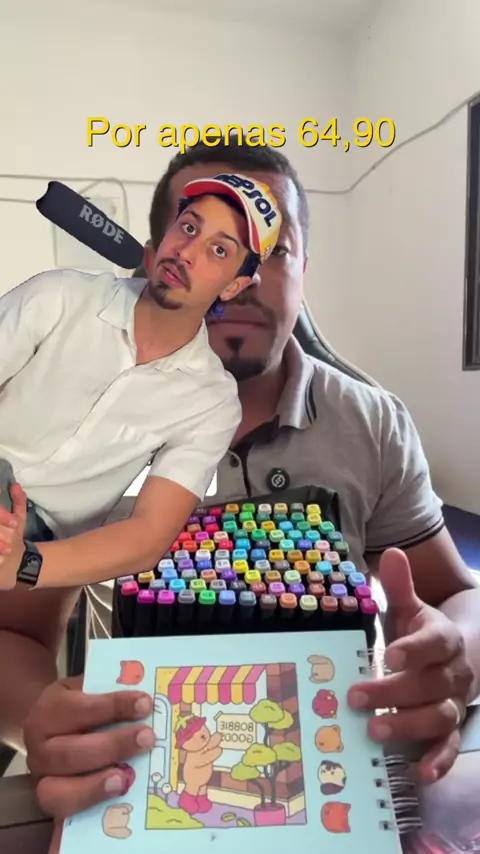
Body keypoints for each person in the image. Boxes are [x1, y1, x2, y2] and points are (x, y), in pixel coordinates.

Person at [1, 138, 479, 845]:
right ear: (157, 254)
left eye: (272, 252)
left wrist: (459, 655)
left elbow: (457, 594)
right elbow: (14, 630)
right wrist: (40, 718)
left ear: (303, 270)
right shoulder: (71, 417)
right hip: (130, 798)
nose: (241, 279)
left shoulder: (372, 421)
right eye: (197, 234)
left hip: (336, 802)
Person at [0, 170, 282, 592]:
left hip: (46, 546)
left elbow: (148, 536)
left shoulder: (212, 401)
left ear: (234, 285)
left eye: (219, 250)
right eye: (189, 228)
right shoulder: (57, 296)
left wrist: (25, 564)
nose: (187, 252)